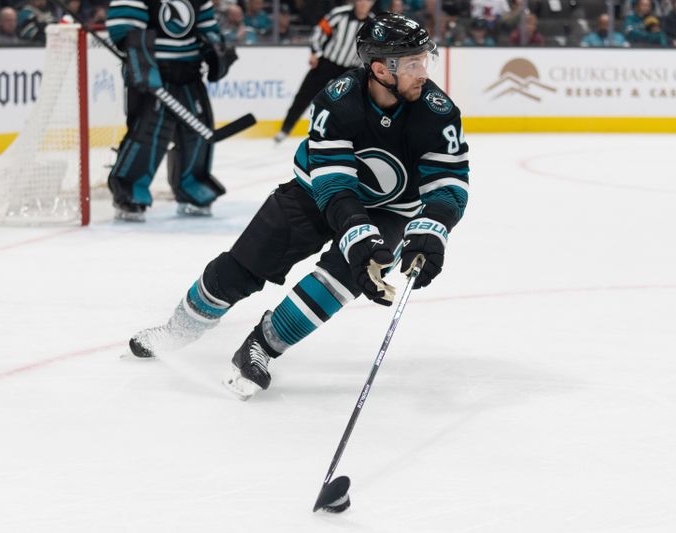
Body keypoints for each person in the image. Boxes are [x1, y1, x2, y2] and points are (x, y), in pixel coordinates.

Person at [127, 12, 470, 401]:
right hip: (314, 196)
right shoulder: (337, 101)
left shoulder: (437, 111)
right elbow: (334, 185)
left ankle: (262, 346)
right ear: (380, 69)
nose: (423, 71)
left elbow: (448, 183)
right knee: (243, 266)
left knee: (343, 278)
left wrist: (432, 229)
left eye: (425, 60)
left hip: (391, 211)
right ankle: (177, 331)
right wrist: (357, 232)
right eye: (412, 63)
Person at [105, 0, 237, 221]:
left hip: (190, 73)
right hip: (153, 74)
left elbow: (208, 29)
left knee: (196, 134)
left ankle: (193, 188)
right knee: (147, 134)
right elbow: (125, 31)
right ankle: (130, 193)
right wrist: (143, 66)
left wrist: (215, 50)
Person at [274, 0, 375, 144]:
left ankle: (349, 136)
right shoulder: (340, 14)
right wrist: (315, 52)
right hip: (328, 63)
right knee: (304, 95)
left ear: (372, 3)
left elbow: (371, 49)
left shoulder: (372, 24)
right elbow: (319, 31)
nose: (363, 3)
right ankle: (285, 129)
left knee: (351, 104)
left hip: (350, 69)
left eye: (367, 1)